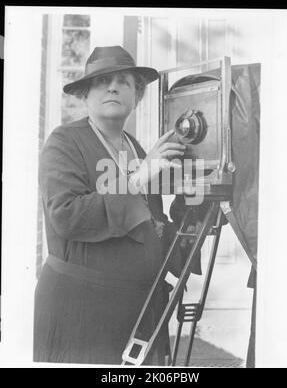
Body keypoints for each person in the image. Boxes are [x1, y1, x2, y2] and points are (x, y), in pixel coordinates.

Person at [34, 46, 186, 365]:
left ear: (137, 97)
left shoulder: (136, 147)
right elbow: (67, 215)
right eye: (102, 81)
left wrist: (193, 207)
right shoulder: (64, 141)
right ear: (86, 95)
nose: (113, 87)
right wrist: (139, 176)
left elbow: (148, 226)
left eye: (123, 81)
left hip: (136, 310)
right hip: (81, 312)